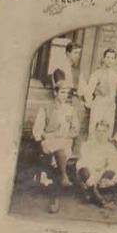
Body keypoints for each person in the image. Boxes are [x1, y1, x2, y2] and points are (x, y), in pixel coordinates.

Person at [31, 85, 81, 214]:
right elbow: (37, 129)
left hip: (65, 140)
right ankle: (63, 176)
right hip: (49, 139)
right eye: (62, 92)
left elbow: (75, 130)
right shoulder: (46, 108)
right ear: (55, 92)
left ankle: (55, 197)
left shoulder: (70, 110)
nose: (65, 95)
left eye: (67, 93)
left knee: (60, 152)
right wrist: (46, 136)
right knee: (57, 152)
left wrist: (65, 135)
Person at [76, 114, 117, 208]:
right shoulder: (87, 145)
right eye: (98, 131)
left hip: (101, 173)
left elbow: (115, 164)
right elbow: (84, 161)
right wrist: (92, 174)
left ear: (107, 133)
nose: (101, 134)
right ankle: (99, 199)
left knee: (111, 171)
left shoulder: (110, 147)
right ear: (95, 131)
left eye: (104, 131)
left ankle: (91, 193)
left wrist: (106, 177)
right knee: (83, 170)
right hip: (89, 173)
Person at [82, 47, 117, 135]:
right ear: (104, 58)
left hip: (110, 104)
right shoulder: (97, 73)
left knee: (108, 127)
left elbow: (114, 92)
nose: (110, 60)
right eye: (108, 57)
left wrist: (111, 103)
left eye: (112, 58)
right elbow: (88, 90)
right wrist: (90, 103)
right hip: (99, 102)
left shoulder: (115, 75)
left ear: (115, 60)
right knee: (95, 126)